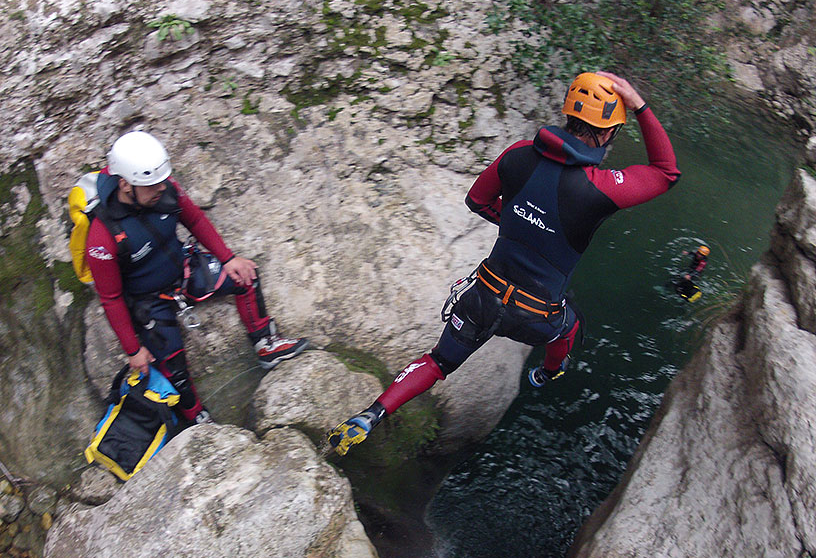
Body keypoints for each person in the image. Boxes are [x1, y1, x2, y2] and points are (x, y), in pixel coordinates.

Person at [328, 71, 680, 456]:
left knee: (437, 362)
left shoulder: (517, 155)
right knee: (570, 323)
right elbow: (666, 171)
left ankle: (372, 414)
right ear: (608, 131)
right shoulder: (601, 187)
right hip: (535, 315)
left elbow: (476, 201)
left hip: (482, 296)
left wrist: (518, 223)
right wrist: (640, 105)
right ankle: (548, 372)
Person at [86, 130, 308, 425]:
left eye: (163, 181)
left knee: (246, 277)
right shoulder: (102, 237)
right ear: (126, 184)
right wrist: (133, 350)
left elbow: (194, 219)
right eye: (152, 185)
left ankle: (266, 344)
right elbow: (111, 298)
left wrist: (228, 259)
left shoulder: (164, 190)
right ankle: (196, 418)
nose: (162, 189)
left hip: (184, 270)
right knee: (172, 366)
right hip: (149, 301)